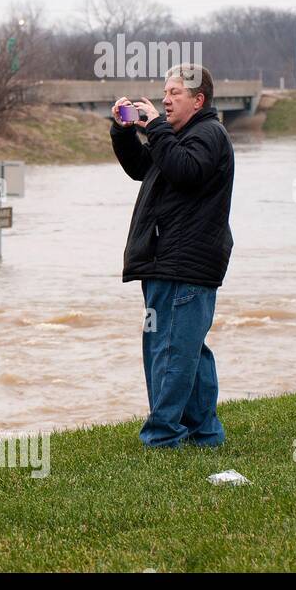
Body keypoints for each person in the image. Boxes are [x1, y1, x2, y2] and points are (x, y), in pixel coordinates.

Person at [110, 63, 234, 448]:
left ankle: (162, 436)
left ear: (198, 101)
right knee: (187, 349)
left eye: (174, 93)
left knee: (169, 350)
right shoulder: (179, 137)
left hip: (183, 265)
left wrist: (156, 129)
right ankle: (205, 432)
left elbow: (185, 171)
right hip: (168, 262)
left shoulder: (207, 135)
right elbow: (141, 168)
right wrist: (125, 132)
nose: (165, 99)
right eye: (164, 92)